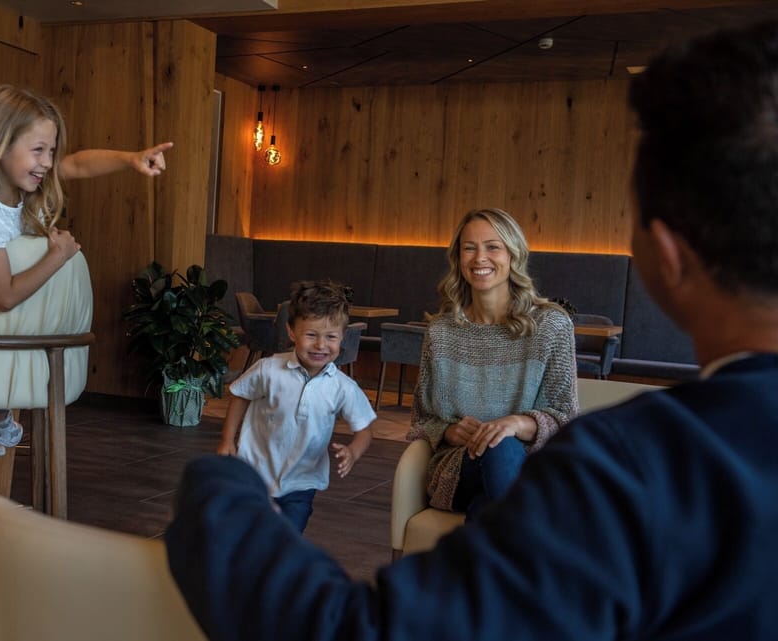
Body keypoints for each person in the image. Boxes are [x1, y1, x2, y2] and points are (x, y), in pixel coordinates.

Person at [164, 19, 778, 641]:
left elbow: (344, 630)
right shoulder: (633, 463)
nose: (478, 259)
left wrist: (220, 485)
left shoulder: (635, 468)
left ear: (663, 257)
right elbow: (430, 419)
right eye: (466, 248)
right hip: (465, 468)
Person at [0, 84, 173, 456]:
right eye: (38, 150)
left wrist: (130, 158)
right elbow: (3, 296)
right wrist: (59, 255)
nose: (49, 162)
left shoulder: (18, 194)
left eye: (51, 151)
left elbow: (78, 164)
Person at [410, 207, 577, 519]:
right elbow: (421, 420)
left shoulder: (551, 325)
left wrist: (515, 424)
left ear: (513, 255)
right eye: (469, 248)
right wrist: (449, 432)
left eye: (493, 247)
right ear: (458, 259)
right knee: (499, 448)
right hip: (459, 470)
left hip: (532, 468)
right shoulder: (441, 333)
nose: (479, 258)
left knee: (487, 510)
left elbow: (565, 418)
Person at [216, 279, 375, 533]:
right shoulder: (268, 369)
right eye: (311, 335)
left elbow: (364, 429)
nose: (321, 345)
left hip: (301, 483)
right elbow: (240, 395)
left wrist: (353, 452)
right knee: (244, 535)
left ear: (342, 337)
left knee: (285, 540)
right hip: (253, 474)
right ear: (292, 332)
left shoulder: (343, 387)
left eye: (331, 337)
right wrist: (227, 440)